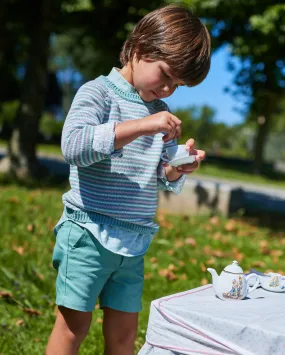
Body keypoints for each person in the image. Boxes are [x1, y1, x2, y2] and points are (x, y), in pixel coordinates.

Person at [46, 4, 211, 355]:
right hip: (89, 232)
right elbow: (74, 146)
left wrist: (176, 168)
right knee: (73, 328)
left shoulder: (158, 113)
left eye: (177, 86)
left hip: (132, 243)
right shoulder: (98, 93)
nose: (167, 90)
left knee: (123, 337)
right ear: (139, 49)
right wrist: (142, 126)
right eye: (165, 75)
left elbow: (155, 175)